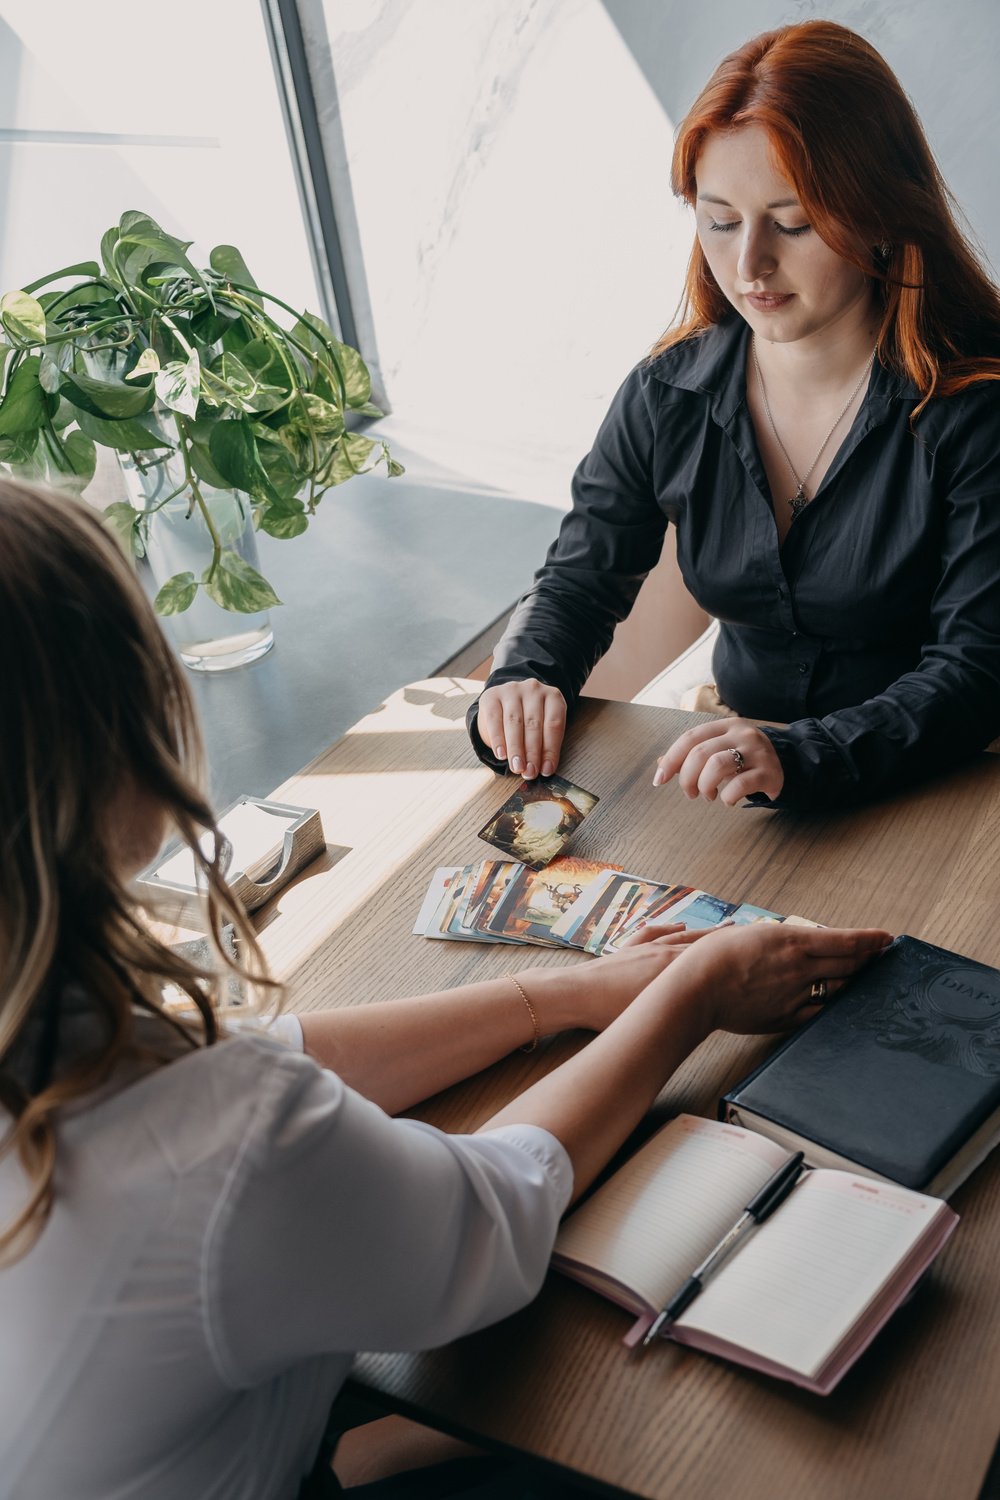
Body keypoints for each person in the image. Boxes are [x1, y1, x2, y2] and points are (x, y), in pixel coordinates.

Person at [0, 478, 889, 1500]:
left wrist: (569, 1000)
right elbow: (498, 1215)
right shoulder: (211, 1139)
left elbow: (270, 1053)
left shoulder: (89, 1041)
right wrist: (685, 999)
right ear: (113, 735)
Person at [468, 18, 1000, 813]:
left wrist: (800, 753)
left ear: (883, 214)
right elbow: (580, 580)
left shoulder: (975, 406)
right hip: (748, 781)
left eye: (792, 223)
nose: (749, 264)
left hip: (949, 780)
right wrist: (523, 677)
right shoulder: (667, 393)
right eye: (719, 220)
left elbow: (977, 669)